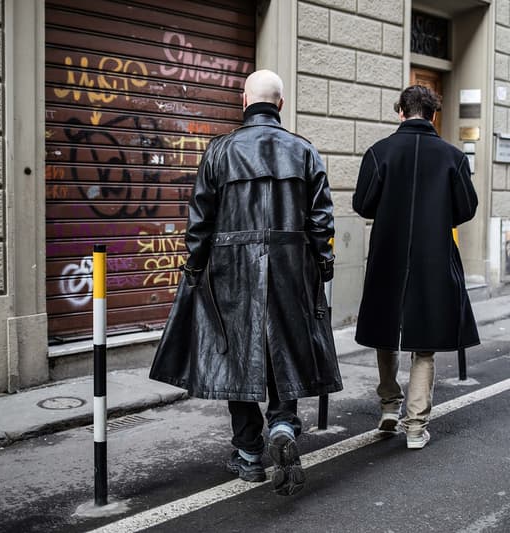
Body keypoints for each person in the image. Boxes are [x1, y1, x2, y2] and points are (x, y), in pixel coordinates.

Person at [150, 69, 342, 496]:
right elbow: (321, 220)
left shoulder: (219, 151)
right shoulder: (305, 151)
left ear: (243, 101)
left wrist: (195, 268)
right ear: (281, 104)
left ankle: (250, 452)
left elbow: (200, 219)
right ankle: (283, 423)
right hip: (292, 267)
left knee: (239, 356)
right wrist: (322, 265)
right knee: (287, 347)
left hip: (230, 269)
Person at [352, 85, 479, 449]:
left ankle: (390, 407)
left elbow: (363, 204)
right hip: (433, 255)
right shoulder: (453, 157)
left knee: (385, 331)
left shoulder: (379, 153)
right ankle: (415, 426)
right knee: (423, 342)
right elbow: (466, 209)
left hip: (388, 255)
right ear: (434, 114)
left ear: (401, 113)